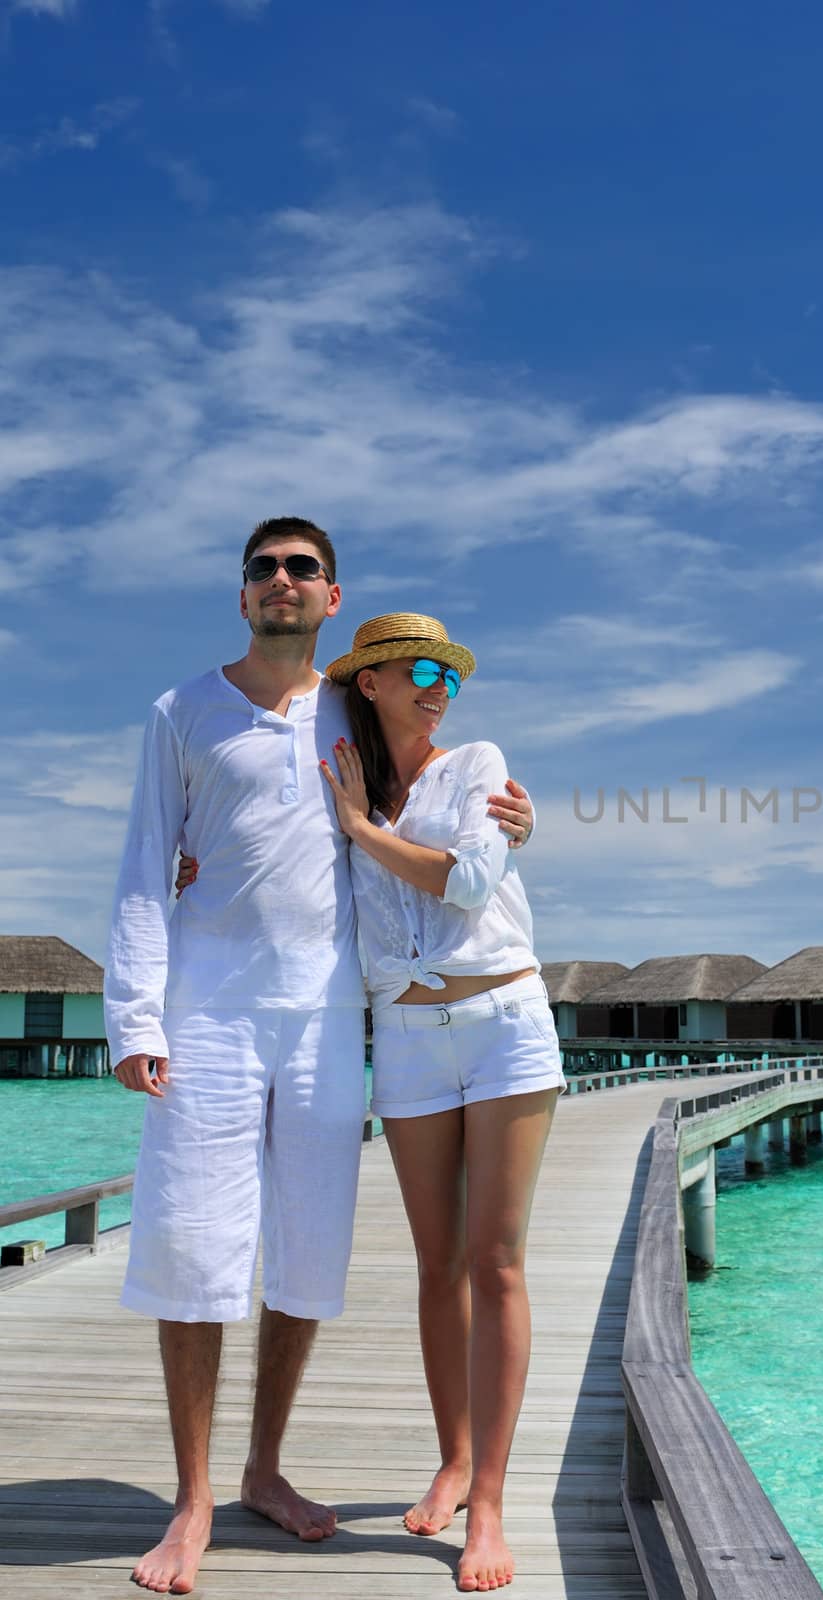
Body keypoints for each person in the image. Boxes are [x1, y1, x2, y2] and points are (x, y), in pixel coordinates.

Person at [105, 519, 534, 1597]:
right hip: (205, 1013)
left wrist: (512, 821)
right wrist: (134, 1020)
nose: (281, 582)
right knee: (199, 1248)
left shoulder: (355, 710)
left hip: (331, 1018)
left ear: (331, 598)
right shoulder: (182, 711)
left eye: (302, 570)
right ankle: (192, 1499)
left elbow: (438, 791)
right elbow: (143, 867)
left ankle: (262, 1469)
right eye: (264, 569)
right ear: (241, 591)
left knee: (306, 1247)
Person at [319, 613, 564, 1595]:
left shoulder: (476, 765)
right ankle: (454, 1457)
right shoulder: (336, 777)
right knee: (437, 1267)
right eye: (417, 670)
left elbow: (468, 882)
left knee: (495, 1262)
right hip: (408, 1044)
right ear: (368, 681)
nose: (437, 687)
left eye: (446, 674)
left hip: (502, 1020)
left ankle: (492, 1499)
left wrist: (362, 834)